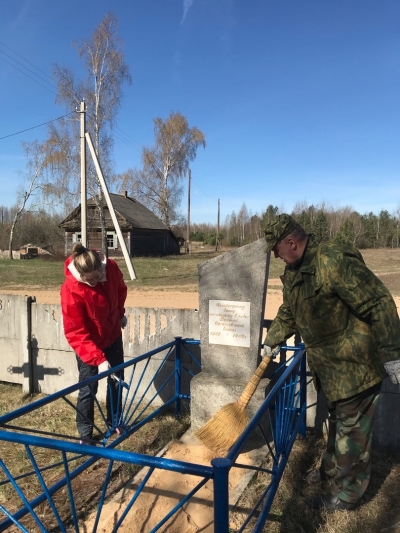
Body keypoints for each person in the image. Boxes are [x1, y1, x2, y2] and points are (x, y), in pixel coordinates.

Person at [263, 214, 400, 512]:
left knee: (352, 433)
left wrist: (393, 354)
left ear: (291, 242)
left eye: (276, 250)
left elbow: (378, 300)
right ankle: (331, 470)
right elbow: (290, 310)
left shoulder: (332, 261)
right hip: (332, 371)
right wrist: (271, 340)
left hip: (355, 366)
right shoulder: (298, 271)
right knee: (336, 423)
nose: (276, 256)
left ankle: (347, 495)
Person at [61, 242, 128, 444]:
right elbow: (75, 331)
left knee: (116, 380)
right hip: (88, 344)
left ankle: (114, 421)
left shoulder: (112, 268)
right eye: (87, 280)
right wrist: (97, 358)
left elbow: (120, 290)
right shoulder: (71, 290)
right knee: (88, 387)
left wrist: (120, 313)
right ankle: (85, 432)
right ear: (79, 275)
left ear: (102, 268)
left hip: (112, 334)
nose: (93, 282)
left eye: (97, 278)